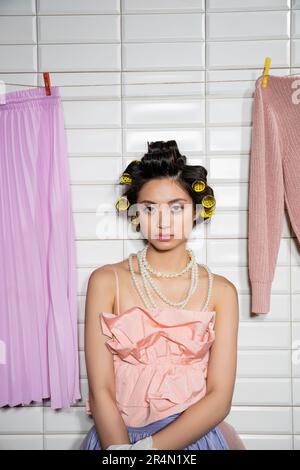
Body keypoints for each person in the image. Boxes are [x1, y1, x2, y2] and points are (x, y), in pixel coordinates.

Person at [80, 140, 246, 450]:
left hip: (195, 441)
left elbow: (220, 397)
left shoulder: (221, 292)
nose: (163, 221)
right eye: (149, 208)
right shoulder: (106, 281)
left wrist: (151, 450)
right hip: (117, 439)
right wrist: (122, 453)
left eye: (176, 207)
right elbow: (100, 388)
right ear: (136, 213)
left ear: (196, 211)